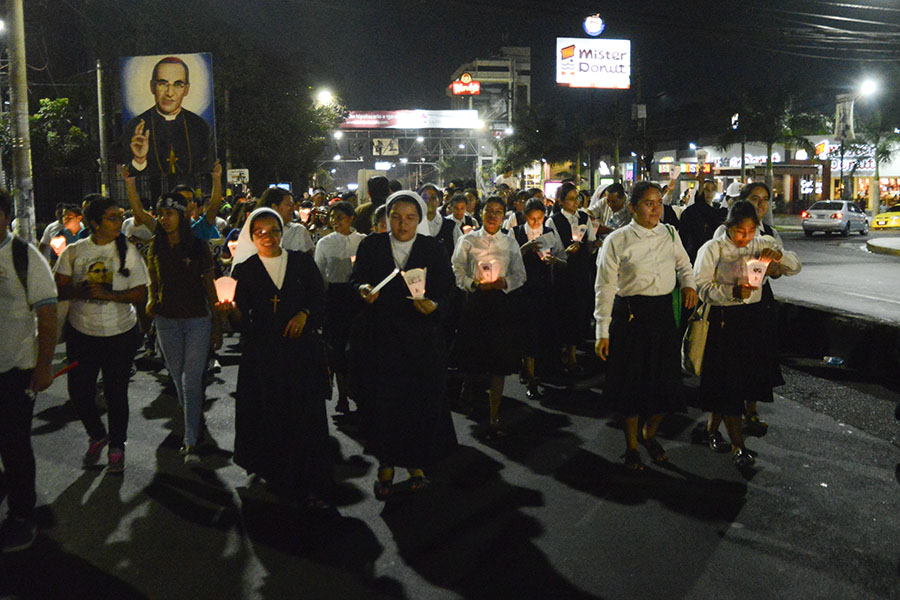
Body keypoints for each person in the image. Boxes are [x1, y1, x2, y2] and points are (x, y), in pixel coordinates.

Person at [218, 208, 332, 508]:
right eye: (260, 233)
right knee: (271, 413)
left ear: (283, 232)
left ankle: (310, 480)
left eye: (274, 231)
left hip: (301, 352)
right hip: (264, 355)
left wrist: (304, 315)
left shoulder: (301, 262)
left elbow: (318, 297)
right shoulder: (246, 269)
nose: (268, 237)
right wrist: (230, 311)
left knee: (305, 416)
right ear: (251, 236)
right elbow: (243, 320)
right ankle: (278, 475)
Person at [350, 191, 456, 499]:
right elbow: (355, 281)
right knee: (384, 403)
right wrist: (363, 290)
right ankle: (385, 464)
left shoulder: (432, 249)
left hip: (420, 340)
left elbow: (448, 291)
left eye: (410, 218)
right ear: (387, 217)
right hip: (381, 339)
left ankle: (415, 462)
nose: (402, 223)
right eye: (396, 216)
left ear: (419, 220)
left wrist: (435, 307)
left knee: (417, 402)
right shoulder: (372, 246)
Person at [594, 181, 699, 471]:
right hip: (631, 316)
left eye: (658, 202)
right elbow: (604, 286)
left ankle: (648, 434)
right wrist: (602, 331)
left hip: (663, 314)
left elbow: (684, 264)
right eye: (648, 203)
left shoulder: (670, 232)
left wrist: (688, 285)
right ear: (632, 207)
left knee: (667, 383)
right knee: (632, 386)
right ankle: (631, 447)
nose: (655, 208)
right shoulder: (617, 240)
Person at [693, 201, 801, 469]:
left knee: (737, 382)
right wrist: (730, 292)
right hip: (723, 320)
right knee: (727, 381)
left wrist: (777, 258)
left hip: (752, 320)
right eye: (740, 231)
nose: (746, 237)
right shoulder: (713, 248)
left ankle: (711, 429)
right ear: (728, 227)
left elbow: (795, 266)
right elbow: (702, 286)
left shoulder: (760, 243)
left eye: (751, 231)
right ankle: (738, 446)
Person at [54, 196, 149, 473]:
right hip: (82, 332)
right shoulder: (74, 252)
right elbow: (58, 288)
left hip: (120, 333)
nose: (119, 221)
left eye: (120, 216)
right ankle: (97, 434)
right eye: (112, 217)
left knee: (116, 392)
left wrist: (109, 295)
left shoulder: (128, 251)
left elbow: (140, 292)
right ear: (94, 223)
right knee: (79, 392)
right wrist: (77, 291)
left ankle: (117, 446)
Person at [710, 182, 792, 435]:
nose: (761, 204)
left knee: (757, 359)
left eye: (765, 199)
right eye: (755, 198)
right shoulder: (724, 232)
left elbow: (780, 269)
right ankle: (716, 423)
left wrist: (776, 267)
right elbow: (712, 272)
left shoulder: (769, 232)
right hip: (731, 301)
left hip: (760, 299)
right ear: (742, 201)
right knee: (729, 366)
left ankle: (751, 411)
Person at [0, 190, 57, 552]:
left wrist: (44, 364)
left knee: (15, 445)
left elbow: (47, 313)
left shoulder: (24, 256)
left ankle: (22, 515)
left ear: (5, 216)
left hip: (15, 369)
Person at [146, 192, 222, 464]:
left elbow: (209, 286)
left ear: (182, 215)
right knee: (178, 376)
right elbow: (152, 280)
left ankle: (190, 440)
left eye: (170, 213)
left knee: (191, 378)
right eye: (161, 213)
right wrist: (151, 300)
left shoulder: (198, 246)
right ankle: (192, 411)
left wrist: (217, 324)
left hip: (197, 320)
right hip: (166, 321)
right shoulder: (156, 245)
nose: (164, 219)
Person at [451, 195, 527, 437]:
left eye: (498, 211)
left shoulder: (509, 242)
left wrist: (506, 282)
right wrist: (472, 283)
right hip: (475, 301)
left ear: (504, 215)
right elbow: (457, 269)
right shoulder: (468, 239)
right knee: (473, 353)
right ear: (481, 213)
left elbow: (520, 274)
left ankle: (495, 412)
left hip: (500, 303)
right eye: (489, 210)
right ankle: (468, 389)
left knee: (498, 360)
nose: (493, 215)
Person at [122, 56, 215, 180]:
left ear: (186, 89)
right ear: (152, 86)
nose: (169, 93)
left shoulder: (200, 127)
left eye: (178, 84)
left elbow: (207, 167)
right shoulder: (134, 127)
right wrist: (139, 160)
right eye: (162, 83)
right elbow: (129, 173)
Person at [511, 198, 565, 399]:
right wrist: (526, 248)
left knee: (542, 330)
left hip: (544, 288)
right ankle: (530, 376)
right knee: (527, 331)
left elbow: (563, 259)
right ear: (525, 217)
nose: (536, 222)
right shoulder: (515, 233)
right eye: (532, 218)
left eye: (540, 218)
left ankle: (538, 370)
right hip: (523, 288)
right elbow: (508, 258)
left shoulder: (549, 233)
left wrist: (555, 260)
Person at [314, 201, 365, 413]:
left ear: (351, 218)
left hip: (357, 298)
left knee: (356, 346)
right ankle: (342, 394)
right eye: (332, 218)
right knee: (336, 347)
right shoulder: (325, 243)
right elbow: (319, 274)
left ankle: (359, 392)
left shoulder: (363, 241)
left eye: (340, 218)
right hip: (334, 298)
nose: (335, 222)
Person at [548, 182, 596, 374]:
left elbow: (590, 241)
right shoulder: (554, 221)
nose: (576, 202)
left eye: (577, 198)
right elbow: (554, 249)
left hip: (582, 270)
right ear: (561, 201)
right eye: (571, 198)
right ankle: (564, 352)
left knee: (579, 310)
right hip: (564, 272)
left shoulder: (584, 217)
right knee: (565, 310)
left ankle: (574, 352)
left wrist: (593, 245)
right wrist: (566, 253)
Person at [679, 178, 725, 263]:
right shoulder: (689, 212)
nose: (709, 193)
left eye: (712, 190)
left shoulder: (717, 212)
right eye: (706, 190)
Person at [258, 187, 314, 253]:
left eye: (293, 205)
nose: (293, 209)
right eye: (289, 205)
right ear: (275, 207)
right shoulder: (257, 231)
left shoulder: (298, 231)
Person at [419, 184, 457, 257]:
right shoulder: (413, 226)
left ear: (439, 201)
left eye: (433, 198)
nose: (428, 201)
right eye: (424, 197)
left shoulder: (450, 226)